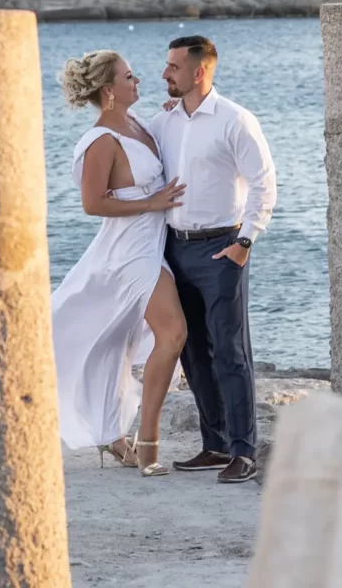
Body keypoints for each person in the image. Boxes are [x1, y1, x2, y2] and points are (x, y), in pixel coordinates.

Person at [50, 50, 188, 477]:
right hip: (129, 252)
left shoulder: (139, 125)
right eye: (129, 76)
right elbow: (93, 203)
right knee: (173, 332)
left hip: (152, 246)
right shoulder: (102, 141)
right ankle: (148, 444)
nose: (137, 80)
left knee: (120, 341)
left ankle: (114, 436)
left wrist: (174, 112)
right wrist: (152, 202)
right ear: (109, 89)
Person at [149, 36, 277, 484]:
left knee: (230, 352)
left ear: (199, 71)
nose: (165, 73)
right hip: (174, 247)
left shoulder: (235, 120)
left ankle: (243, 451)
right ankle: (215, 443)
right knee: (192, 352)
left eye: (173, 66)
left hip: (222, 247)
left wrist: (245, 241)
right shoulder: (164, 122)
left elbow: (264, 182)